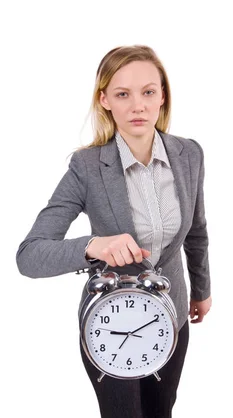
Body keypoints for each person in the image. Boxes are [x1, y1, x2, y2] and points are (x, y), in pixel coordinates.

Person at [16, 45, 211, 418]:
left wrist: (201, 291)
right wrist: (94, 246)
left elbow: (197, 233)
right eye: (123, 94)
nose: (138, 106)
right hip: (109, 325)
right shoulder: (86, 167)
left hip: (171, 317)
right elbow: (29, 255)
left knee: (161, 412)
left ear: (163, 96)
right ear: (104, 100)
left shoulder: (190, 154)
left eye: (148, 92)